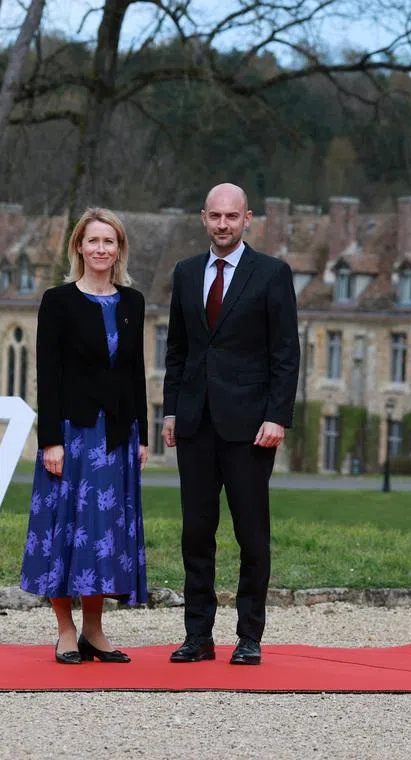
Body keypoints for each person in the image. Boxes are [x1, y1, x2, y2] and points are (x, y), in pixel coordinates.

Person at [161, 183, 299, 666]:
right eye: (215, 216)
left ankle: (249, 636)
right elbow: (177, 350)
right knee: (196, 534)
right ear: (203, 218)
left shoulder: (272, 274)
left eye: (232, 216)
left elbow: (285, 353)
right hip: (195, 423)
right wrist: (171, 410)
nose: (223, 224)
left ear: (247, 219)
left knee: (251, 535)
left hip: (251, 427)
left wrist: (277, 416)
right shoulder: (185, 273)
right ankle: (198, 636)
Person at [20, 207, 149, 665]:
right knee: (65, 528)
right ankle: (66, 630)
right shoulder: (58, 302)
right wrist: (49, 440)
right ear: (78, 246)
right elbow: (47, 374)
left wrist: (142, 435)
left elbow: (135, 372)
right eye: (93, 240)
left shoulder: (132, 302)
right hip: (72, 435)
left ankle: (94, 630)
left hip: (117, 435)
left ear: (119, 249)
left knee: (102, 532)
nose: (101, 249)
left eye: (109, 241)